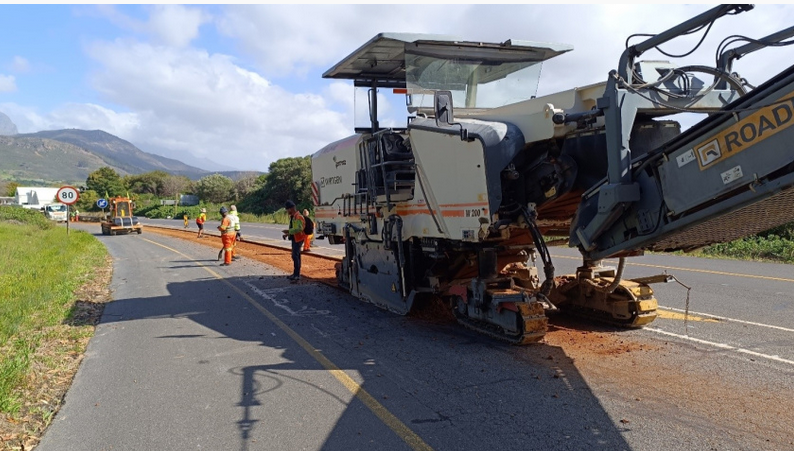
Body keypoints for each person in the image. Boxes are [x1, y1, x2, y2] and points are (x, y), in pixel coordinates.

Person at [282, 200, 306, 281]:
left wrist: (289, 231)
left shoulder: (298, 217)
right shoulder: (293, 217)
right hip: (295, 238)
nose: (287, 211)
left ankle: (297, 274)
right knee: (296, 255)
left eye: (287, 209)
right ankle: (296, 273)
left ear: (291, 208)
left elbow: (299, 228)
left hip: (298, 239)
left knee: (295, 256)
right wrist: (287, 234)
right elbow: (294, 228)